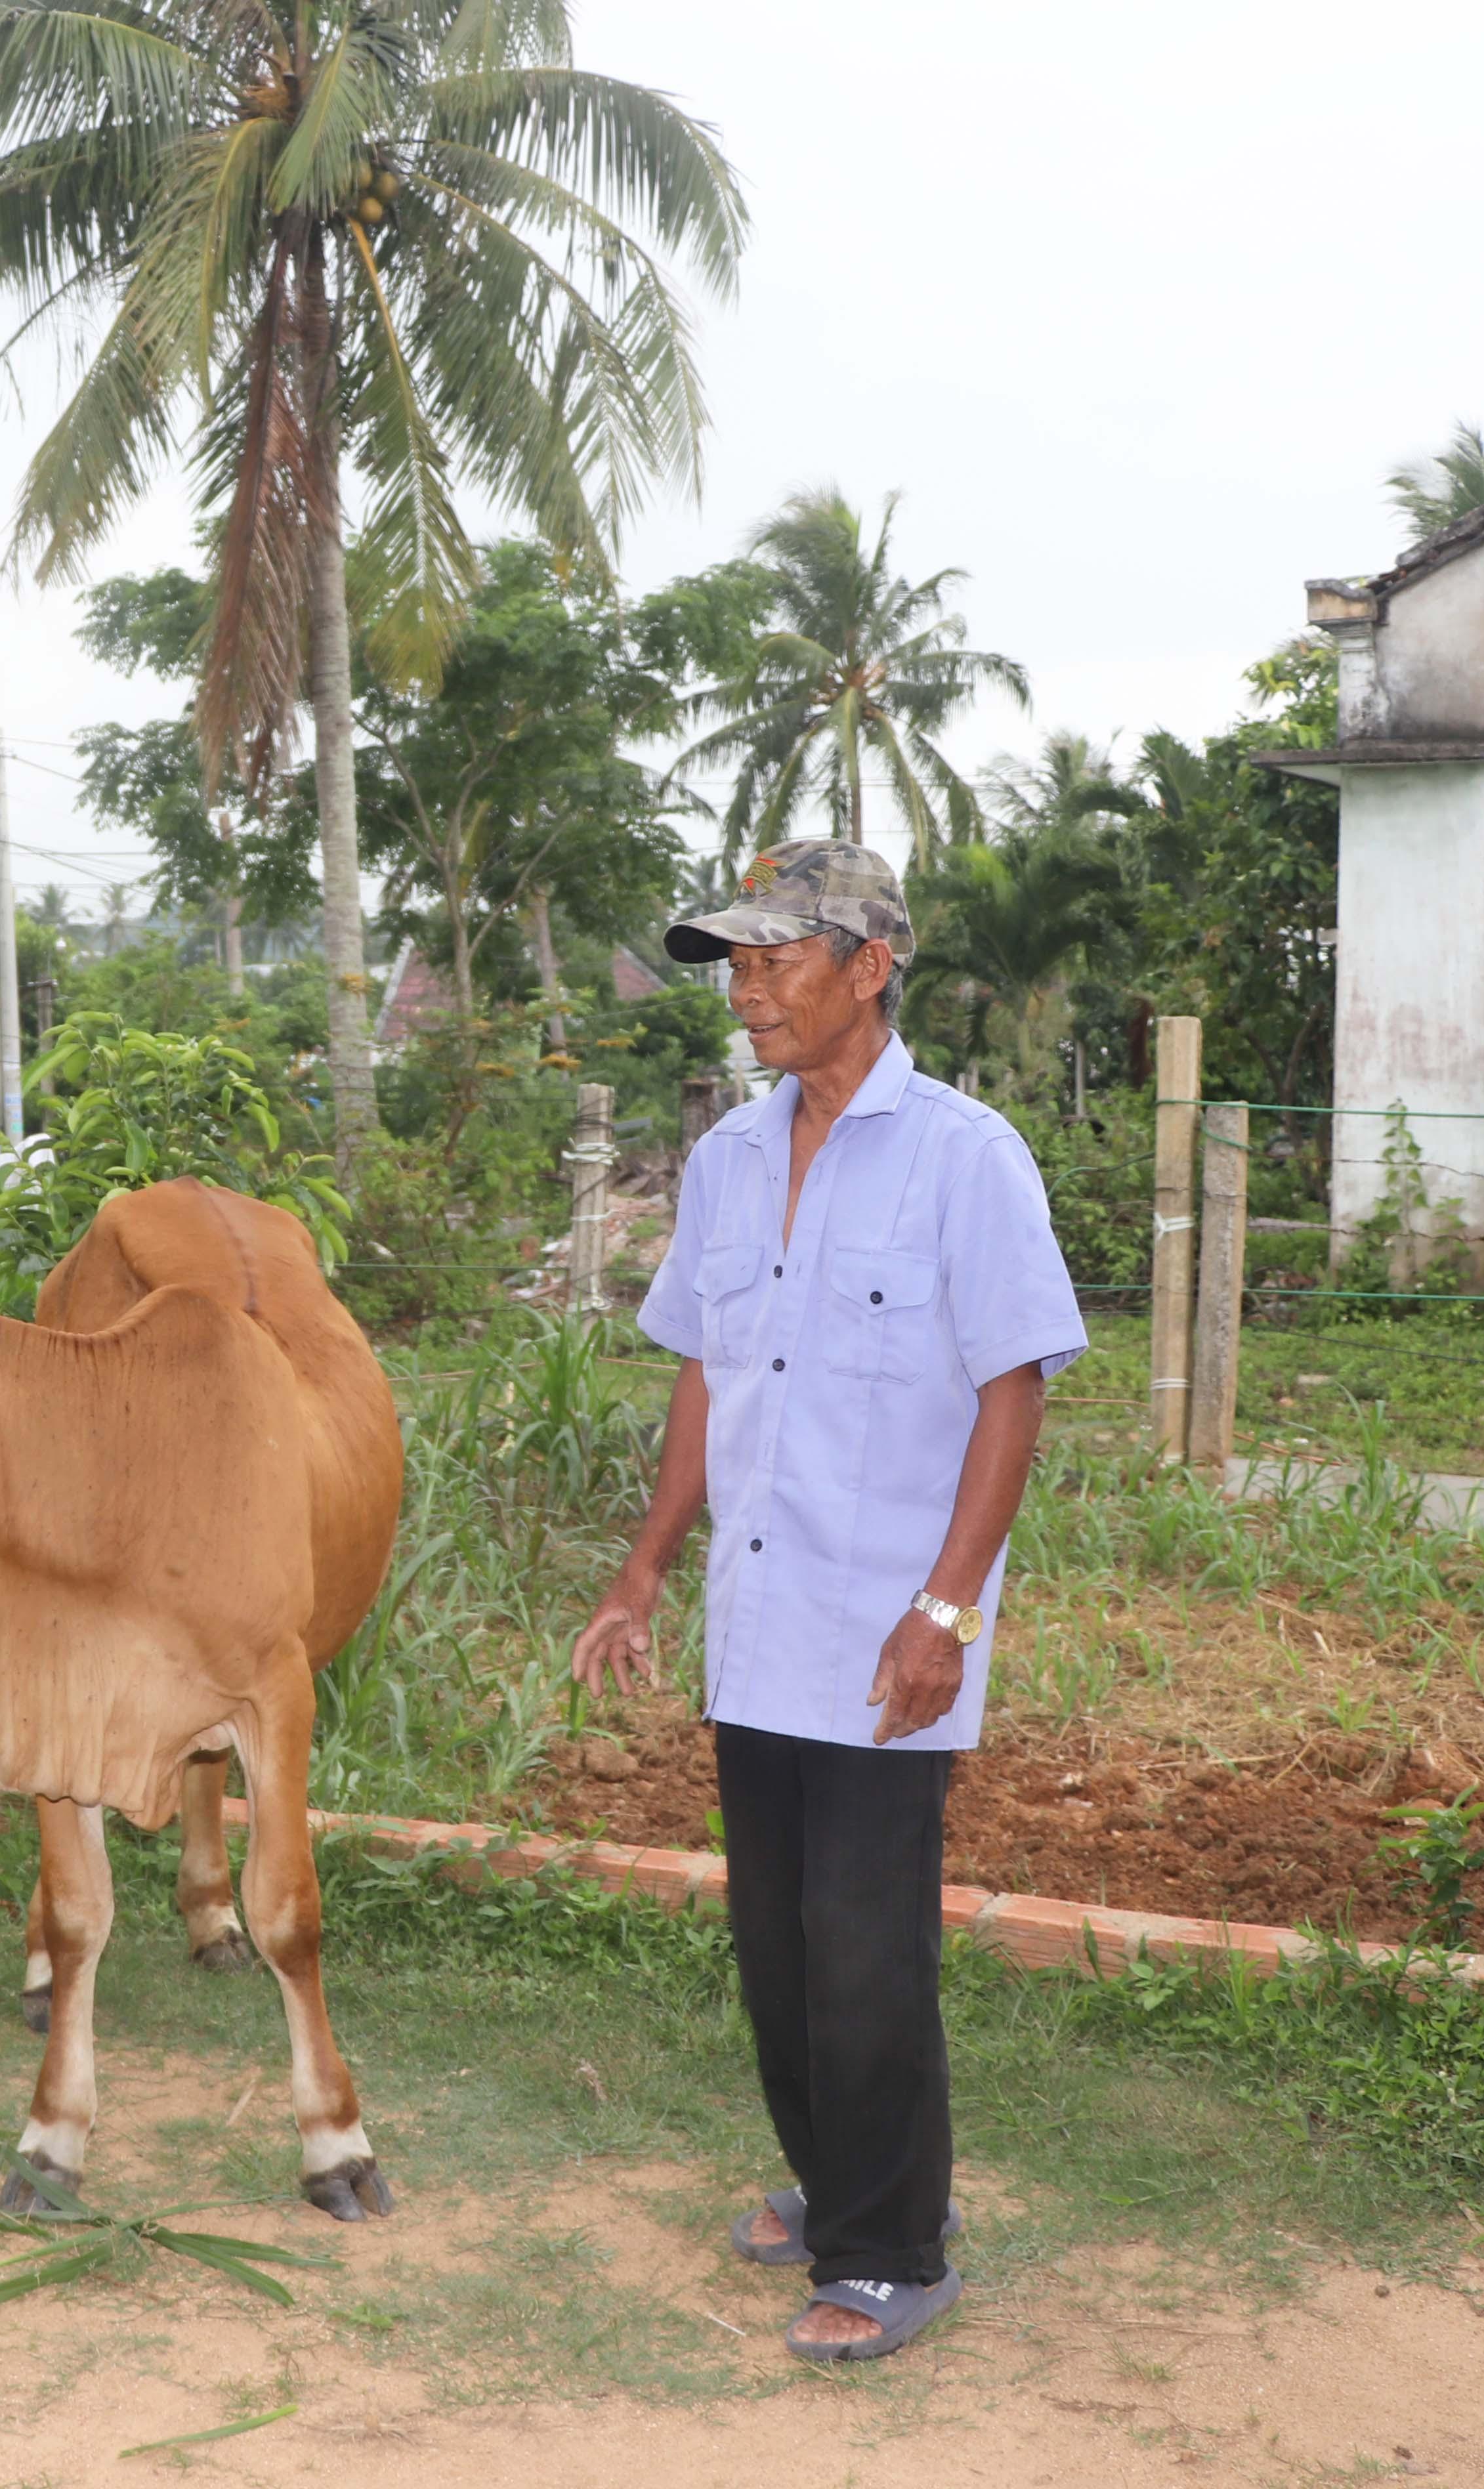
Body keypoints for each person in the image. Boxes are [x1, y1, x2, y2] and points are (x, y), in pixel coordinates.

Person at [569, 841, 1083, 2364]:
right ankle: (830, 2178)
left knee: (865, 1948)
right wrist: (647, 1561)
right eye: (733, 962)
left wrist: (949, 1613)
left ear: (870, 967)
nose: (746, 990)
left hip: (886, 1634)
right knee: (783, 1944)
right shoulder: (730, 1156)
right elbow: (704, 1376)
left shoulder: (965, 1155)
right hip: (756, 1617)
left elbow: (1012, 1395)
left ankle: (893, 2248)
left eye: (775, 958)